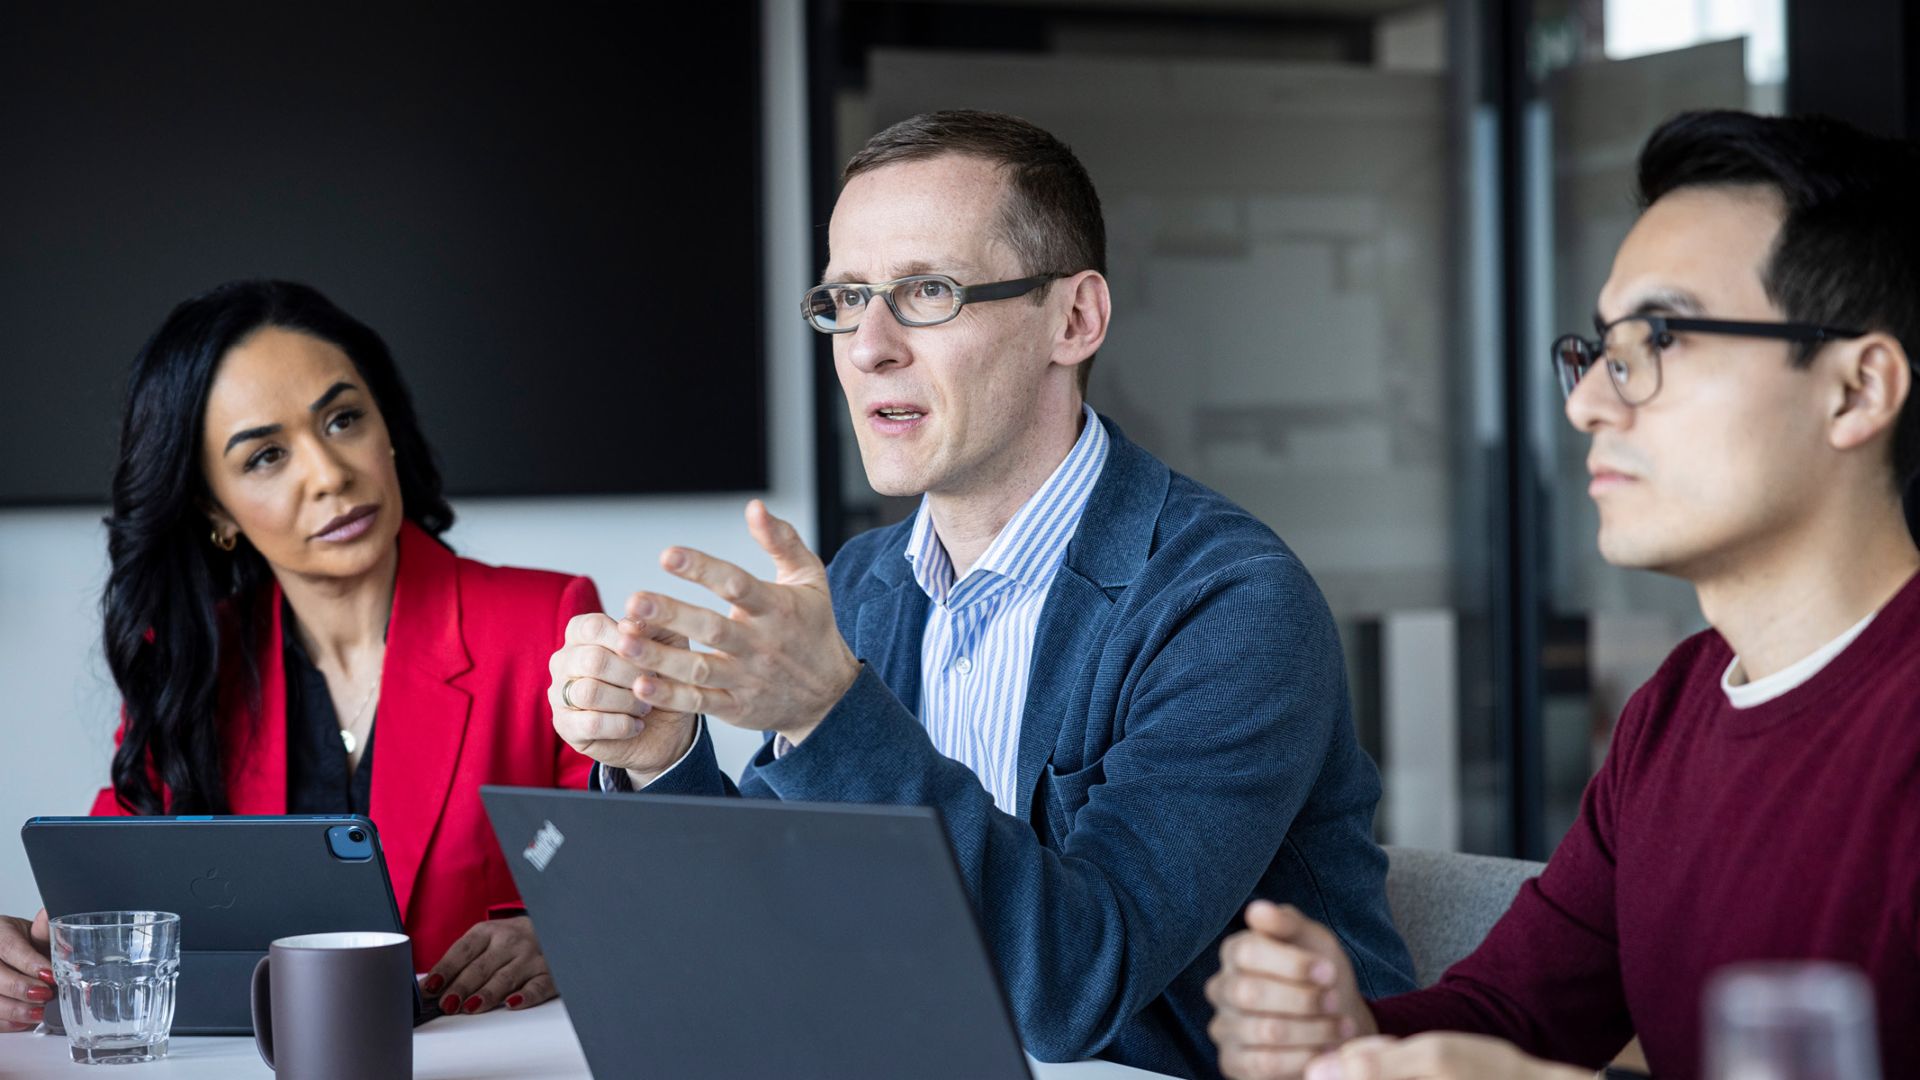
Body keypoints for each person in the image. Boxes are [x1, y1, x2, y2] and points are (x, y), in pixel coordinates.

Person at [546, 110, 1414, 1080]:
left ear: (1073, 320)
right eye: (845, 298)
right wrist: (665, 758)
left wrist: (832, 716)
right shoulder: (864, 585)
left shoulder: (1232, 607)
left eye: (926, 291)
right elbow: (772, 927)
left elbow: (1077, 985)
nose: (868, 346)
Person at [1204, 110, 1920, 1080]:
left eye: (1657, 339)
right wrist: (1346, 1038)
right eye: (1601, 350)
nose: (1587, 403)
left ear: (1855, 391)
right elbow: (1515, 1012)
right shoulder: (1672, 710)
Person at [0, 280, 601, 1033]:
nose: (328, 474)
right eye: (265, 457)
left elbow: (632, 877)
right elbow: (105, 909)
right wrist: (24, 956)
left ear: (387, 429)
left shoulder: (548, 622)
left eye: (343, 419)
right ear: (213, 508)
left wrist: (563, 929)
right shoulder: (190, 664)